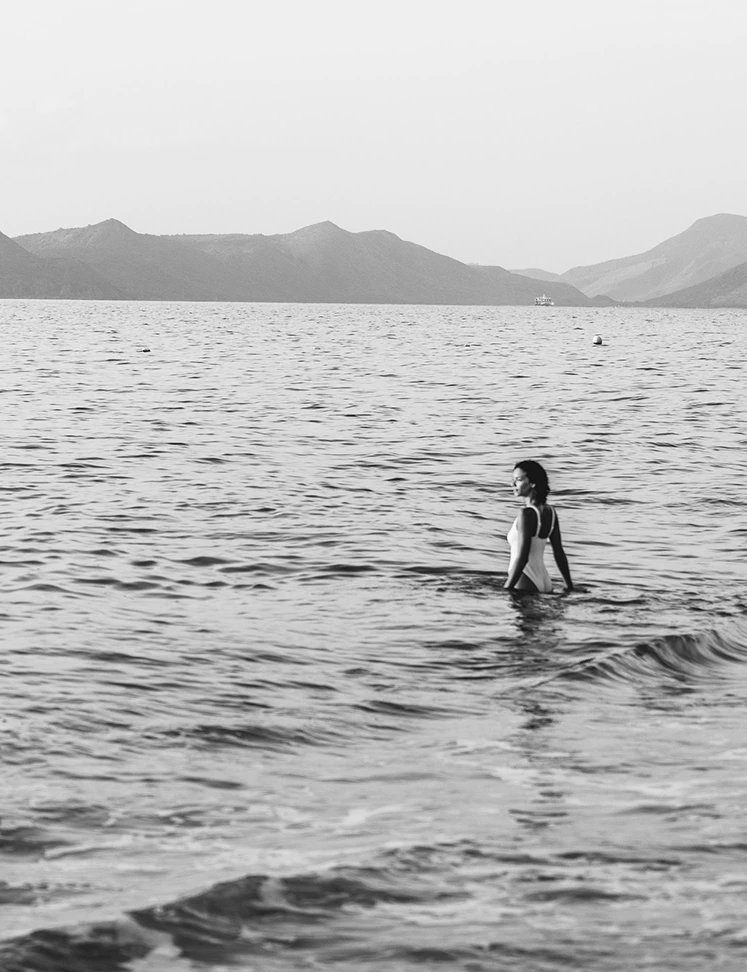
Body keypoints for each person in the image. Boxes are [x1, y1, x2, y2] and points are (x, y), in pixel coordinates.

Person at [504, 460, 573, 593]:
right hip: (545, 581)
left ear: (532, 483)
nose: (512, 484)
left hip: (524, 578)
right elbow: (559, 553)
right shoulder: (551, 512)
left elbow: (523, 556)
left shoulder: (526, 513)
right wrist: (569, 586)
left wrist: (508, 587)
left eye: (518, 479)